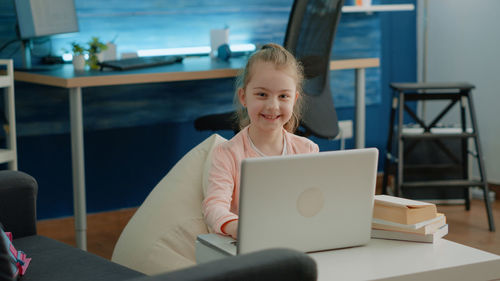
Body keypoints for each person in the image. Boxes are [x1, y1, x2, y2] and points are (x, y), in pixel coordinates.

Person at [202, 43, 319, 239]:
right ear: (244, 96)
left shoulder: (307, 150)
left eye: (283, 96)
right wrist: (236, 227)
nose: (273, 106)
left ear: (294, 99)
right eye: (262, 94)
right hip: (249, 245)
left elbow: (314, 203)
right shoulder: (227, 154)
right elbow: (213, 207)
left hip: (295, 239)